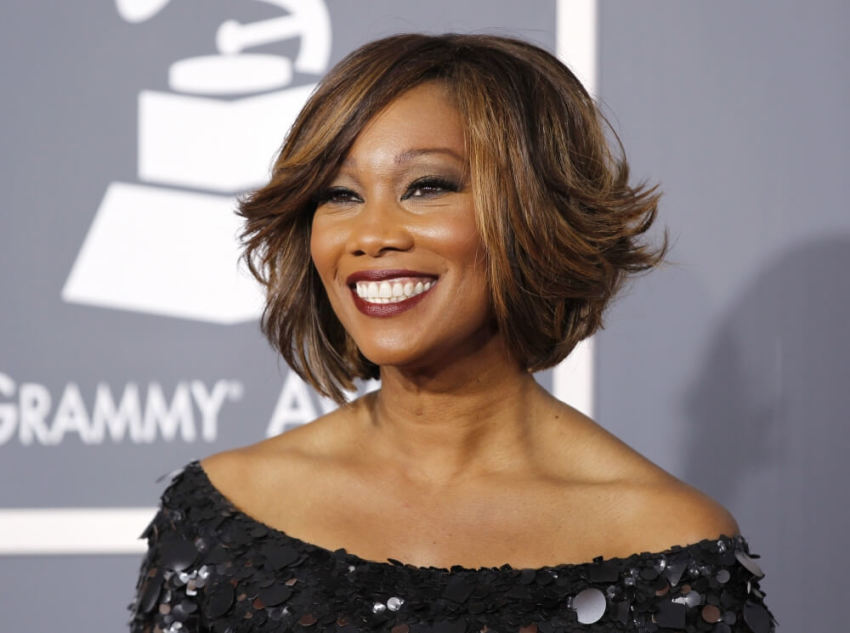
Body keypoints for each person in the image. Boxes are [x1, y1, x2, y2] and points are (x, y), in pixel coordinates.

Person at [129, 33, 776, 633]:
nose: (371, 235)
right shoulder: (221, 516)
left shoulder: (669, 549)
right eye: (339, 194)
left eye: (426, 187)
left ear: (531, 214)